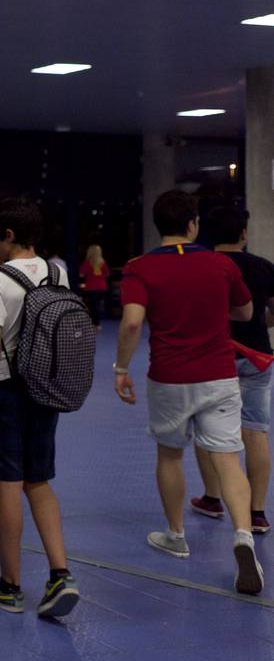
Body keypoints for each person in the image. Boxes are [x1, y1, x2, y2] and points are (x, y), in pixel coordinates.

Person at [114, 190, 263, 594]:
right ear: (193, 224)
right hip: (219, 375)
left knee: (170, 453)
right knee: (228, 459)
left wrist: (121, 368)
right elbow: (246, 312)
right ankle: (243, 537)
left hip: (170, 377)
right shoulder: (219, 264)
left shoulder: (139, 269)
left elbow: (130, 323)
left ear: (157, 225)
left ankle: (176, 535)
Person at [0, 198, 81, 617]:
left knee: (7, 483)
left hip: (5, 391)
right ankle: (60, 573)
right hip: (44, 387)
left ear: (8, 236)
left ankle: (10, 585)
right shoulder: (58, 271)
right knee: (39, 479)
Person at [190, 207, 274, 534]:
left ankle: (212, 498)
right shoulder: (264, 268)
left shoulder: (200, 268)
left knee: (208, 428)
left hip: (212, 357)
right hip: (256, 357)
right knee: (255, 431)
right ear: (244, 234)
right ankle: (256, 512)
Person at [80, 245, 111, 329]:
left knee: (92, 305)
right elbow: (107, 274)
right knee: (96, 305)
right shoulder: (103, 263)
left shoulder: (87, 263)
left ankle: (95, 323)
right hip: (102, 287)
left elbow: (81, 274)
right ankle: (96, 323)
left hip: (90, 287)